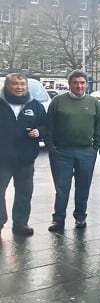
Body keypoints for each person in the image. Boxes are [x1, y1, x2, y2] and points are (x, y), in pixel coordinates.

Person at [47, 70, 100, 232]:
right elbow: (48, 126)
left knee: (83, 186)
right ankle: (58, 220)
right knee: (62, 188)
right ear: (69, 84)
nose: (79, 86)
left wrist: (95, 147)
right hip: (62, 152)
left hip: (86, 152)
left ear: (86, 84)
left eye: (82, 83)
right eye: (75, 83)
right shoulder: (58, 101)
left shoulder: (93, 103)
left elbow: (99, 127)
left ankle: (80, 217)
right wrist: (52, 147)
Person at [0, 73, 46, 237]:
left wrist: (39, 131)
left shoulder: (35, 105)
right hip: (2, 159)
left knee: (24, 193)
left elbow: (46, 126)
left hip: (25, 159)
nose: (19, 87)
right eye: (15, 84)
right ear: (7, 86)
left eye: (22, 84)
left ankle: (20, 224)